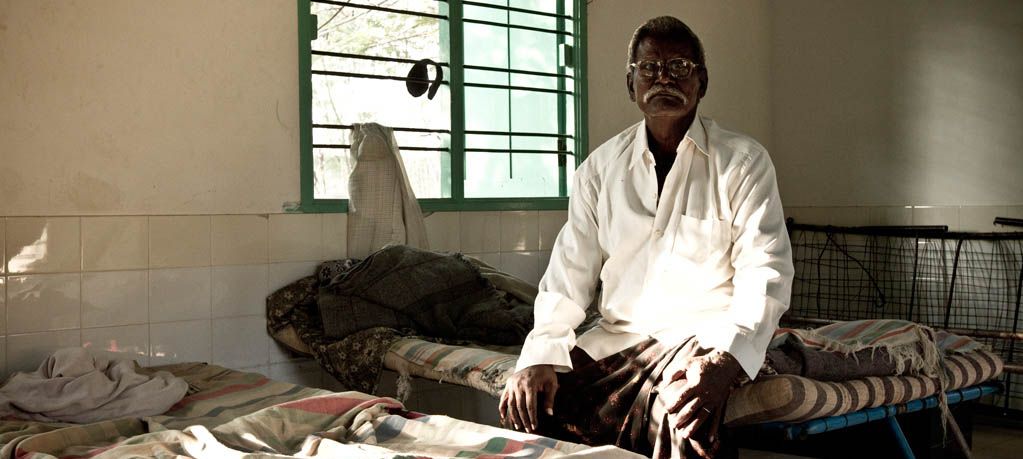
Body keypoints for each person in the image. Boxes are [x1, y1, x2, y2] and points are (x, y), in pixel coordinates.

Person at [499, 16, 793, 459]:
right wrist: (540, 354)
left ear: (702, 81)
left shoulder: (743, 163)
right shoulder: (599, 170)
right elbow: (568, 274)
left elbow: (766, 272)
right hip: (619, 340)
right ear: (630, 83)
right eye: (650, 69)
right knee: (534, 403)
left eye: (679, 67)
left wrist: (726, 362)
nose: (663, 80)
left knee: (683, 412)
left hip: (704, 337)